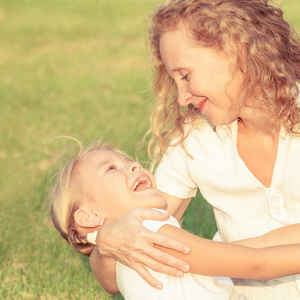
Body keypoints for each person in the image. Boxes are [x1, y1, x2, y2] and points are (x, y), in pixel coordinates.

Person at [90, 0, 300, 299]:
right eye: (174, 81)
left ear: (236, 51)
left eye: (185, 76)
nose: (181, 98)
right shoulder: (194, 140)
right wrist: (107, 243)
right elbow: (118, 277)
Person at [50, 139, 300, 300]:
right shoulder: (150, 233)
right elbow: (257, 263)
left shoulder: (124, 250)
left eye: (128, 161)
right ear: (90, 216)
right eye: (111, 169)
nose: (135, 165)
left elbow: (244, 248)